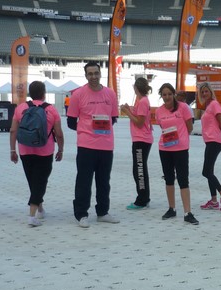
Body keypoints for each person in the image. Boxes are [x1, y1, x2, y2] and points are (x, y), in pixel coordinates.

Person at [67, 61, 120, 228]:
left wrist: (101, 130)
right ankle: (81, 214)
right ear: (86, 76)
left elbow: (113, 118)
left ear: (100, 73)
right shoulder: (78, 94)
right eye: (90, 74)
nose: (93, 77)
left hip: (106, 145)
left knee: (104, 181)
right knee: (84, 180)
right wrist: (86, 130)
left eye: (96, 73)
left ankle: (103, 212)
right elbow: (70, 121)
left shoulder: (110, 94)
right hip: (86, 146)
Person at [9, 81, 65, 226]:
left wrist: (12, 150)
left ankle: (40, 208)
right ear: (44, 93)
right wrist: (60, 149)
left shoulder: (21, 108)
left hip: (25, 150)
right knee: (41, 181)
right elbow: (58, 133)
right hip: (45, 151)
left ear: (30, 93)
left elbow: (13, 130)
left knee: (33, 180)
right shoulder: (51, 110)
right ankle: (32, 216)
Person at [155, 83, 199, 225]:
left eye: (169, 94)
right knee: (168, 179)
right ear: (161, 96)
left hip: (180, 149)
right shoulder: (159, 111)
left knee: (183, 180)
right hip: (165, 148)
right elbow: (162, 127)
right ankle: (171, 208)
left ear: (173, 94)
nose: (167, 97)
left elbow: (189, 127)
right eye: (164, 94)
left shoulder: (183, 107)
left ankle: (187, 212)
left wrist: (181, 138)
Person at [198, 82, 221, 211]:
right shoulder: (208, 106)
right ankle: (213, 200)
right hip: (210, 141)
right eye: (202, 92)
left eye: (206, 91)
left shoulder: (214, 105)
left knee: (206, 171)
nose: (204, 94)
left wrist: (219, 137)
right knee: (209, 172)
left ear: (211, 92)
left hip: (214, 141)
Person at [120, 77, 153, 209]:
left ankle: (142, 199)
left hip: (142, 139)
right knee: (139, 169)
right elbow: (139, 117)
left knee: (139, 170)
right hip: (140, 139)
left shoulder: (143, 101)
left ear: (136, 88)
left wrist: (127, 112)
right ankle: (144, 197)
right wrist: (130, 109)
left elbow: (139, 122)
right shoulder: (141, 100)